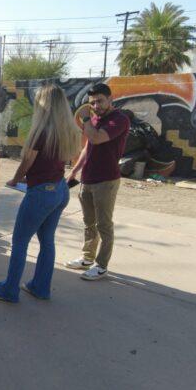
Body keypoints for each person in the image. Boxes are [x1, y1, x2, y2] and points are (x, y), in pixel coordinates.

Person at [0, 84, 81, 303]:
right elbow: (52, 164)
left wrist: (16, 179)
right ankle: (40, 287)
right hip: (60, 189)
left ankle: (9, 289)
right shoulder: (67, 130)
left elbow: (28, 161)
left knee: (20, 241)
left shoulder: (41, 131)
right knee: (47, 240)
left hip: (42, 192)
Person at [65, 83, 130, 280]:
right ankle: (87, 258)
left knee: (104, 225)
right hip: (87, 179)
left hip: (106, 180)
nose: (96, 106)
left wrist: (85, 117)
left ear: (111, 99)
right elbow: (87, 148)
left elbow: (97, 139)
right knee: (88, 223)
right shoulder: (94, 118)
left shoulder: (119, 119)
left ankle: (101, 265)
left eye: (100, 101)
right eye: (92, 102)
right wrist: (74, 171)